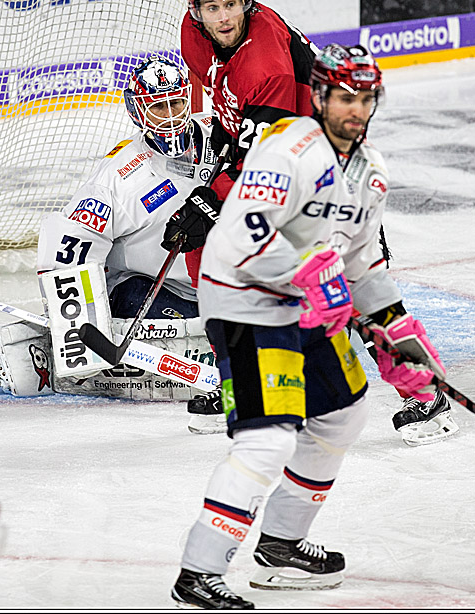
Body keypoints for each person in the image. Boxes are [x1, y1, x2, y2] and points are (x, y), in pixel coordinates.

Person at [169, 45, 449, 609]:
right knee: (268, 437)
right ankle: (198, 572)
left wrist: (396, 329)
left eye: (366, 98)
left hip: (303, 304)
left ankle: (281, 544)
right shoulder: (285, 151)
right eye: (346, 97)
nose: (357, 110)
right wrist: (307, 272)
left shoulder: (370, 173)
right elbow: (244, 240)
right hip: (247, 304)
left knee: (343, 414)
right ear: (319, 96)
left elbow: (361, 264)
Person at [164, 0, 455, 445]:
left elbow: (265, 161)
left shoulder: (266, 63)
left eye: (230, 3)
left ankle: (425, 395)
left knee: (349, 289)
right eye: (211, 7)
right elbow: (221, 109)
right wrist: (214, 162)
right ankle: (240, 381)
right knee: (209, 256)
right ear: (196, 11)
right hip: (273, 159)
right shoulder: (193, 36)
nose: (224, 16)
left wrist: (210, 200)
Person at [0, 56, 219, 406]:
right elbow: (71, 244)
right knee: (159, 312)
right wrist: (70, 320)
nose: (171, 115)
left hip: (219, 278)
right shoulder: (119, 175)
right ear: (137, 110)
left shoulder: (220, 139)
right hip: (154, 287)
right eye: (159, 106)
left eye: (176, 102)